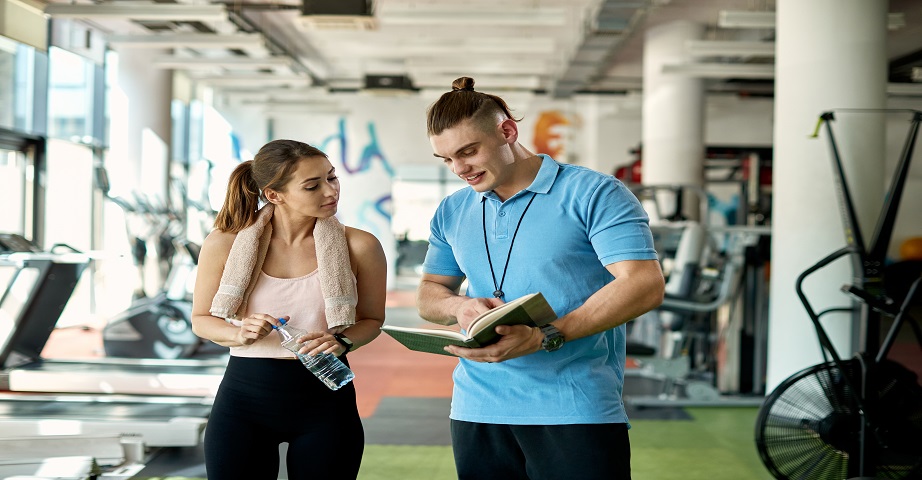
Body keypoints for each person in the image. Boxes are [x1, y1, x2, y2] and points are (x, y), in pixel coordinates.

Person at [417, 77, 666, 480]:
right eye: (446, 159)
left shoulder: (595, 193)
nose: (459, 168)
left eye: (468, 151)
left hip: (575, 407)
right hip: (476, 409)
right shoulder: (452, 210)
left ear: (507, 132)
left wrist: (547, 333)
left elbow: (644, 283)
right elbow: (430, 292)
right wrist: (459, 306)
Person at [191, 139, 387, 479]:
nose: (330, 192)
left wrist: (343, 341)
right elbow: (201, 320)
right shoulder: (224, 242)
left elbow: (373, 319)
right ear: (273, 195)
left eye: (332, 178)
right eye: (312, 186)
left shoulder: (361, 245)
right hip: (243, 404)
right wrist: (239, 332)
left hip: (325, 401)